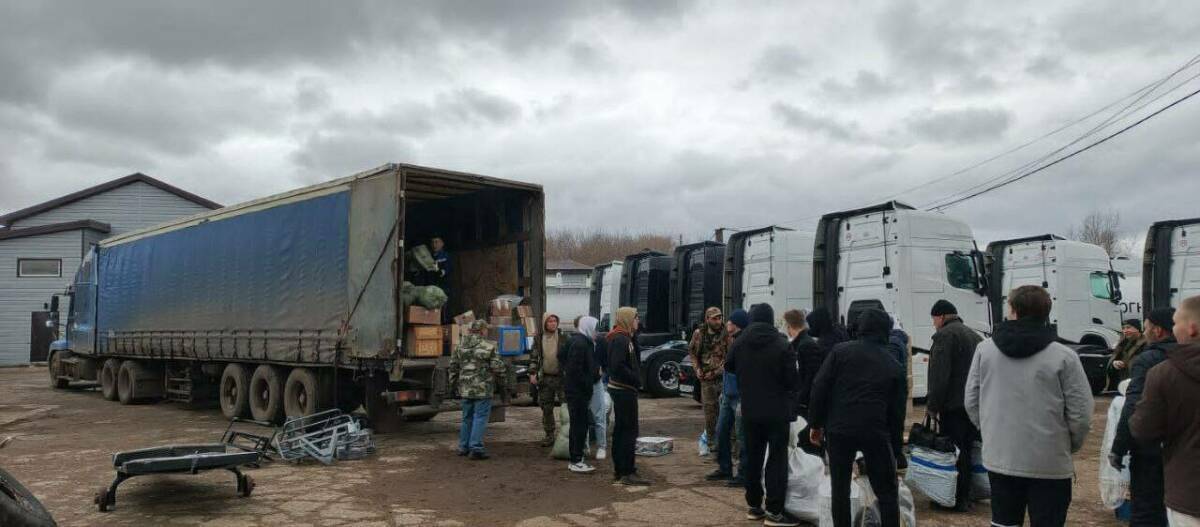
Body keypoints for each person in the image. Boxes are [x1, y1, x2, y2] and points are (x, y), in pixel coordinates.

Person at [965, 285, 1093, 527]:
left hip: (1001, 456)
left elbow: (971, 400)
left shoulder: (985, 350)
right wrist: (1068, 443)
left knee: (1004, 522)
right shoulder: (1064, 356)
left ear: (1012, 311)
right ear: (1046, 312)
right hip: (1049, 460)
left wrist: (991, 431)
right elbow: (1081, 412)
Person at [809, 308, 905, 527]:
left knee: (840, 489)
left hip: (839, 429)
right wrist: (896, 450)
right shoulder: (893, 365)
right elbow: (897, 414)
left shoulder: (840, 352)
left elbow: (819, 387)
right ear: (886, 331)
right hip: (876, 432)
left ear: (860, 328)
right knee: (887, 492)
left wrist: (816, 424)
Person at [726, 303, 801, 527]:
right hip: (777, 411)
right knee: (776, 460)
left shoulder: (740, 342)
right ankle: (775, 512)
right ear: (770, 319)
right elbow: (792, 380)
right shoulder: (781, 343)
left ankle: (754, 506)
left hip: (750, 409)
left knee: (753, 457)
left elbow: (728, 366)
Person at [1132, 296, 1200, 526]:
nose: (1174, 328)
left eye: (1176, 323)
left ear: (1192, 328)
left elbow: (1144, 430)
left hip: (1189, 493)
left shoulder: (1164, 373)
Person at [1112, 307, 1177, 526]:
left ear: (1158, 331)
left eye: (1147, 327)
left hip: (1151, 449)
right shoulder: (1191, 357)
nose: (1145, 331)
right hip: (1187, 448)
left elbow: (1133, 406)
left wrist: (1119, 447)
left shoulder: (1147, 360)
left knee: (1147, 511)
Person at [926, 299, 984, 511]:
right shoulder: (974, 336)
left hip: (952, 406)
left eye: (934, 319)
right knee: (968, 449)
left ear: (940, 316)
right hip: (973, 405)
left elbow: (940, 376)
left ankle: (955, 498)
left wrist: (933, 405)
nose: (934, 324)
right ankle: (967, 494)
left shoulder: (944, 336)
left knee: (954, 452)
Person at [449, 320, 506, 460]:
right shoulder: (488, 346)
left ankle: (463, 447)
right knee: (480, 418)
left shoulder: (460, 346)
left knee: (466, 418)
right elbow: (498, 368)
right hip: (482, 388)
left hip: (465, 388)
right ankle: (476, 447)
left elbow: (453, 367)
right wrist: (503, 382)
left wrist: (453, 385)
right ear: (482, 331)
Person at [607, 307, 649, 486]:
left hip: (623, 389)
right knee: (628, 431)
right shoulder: (620, 339)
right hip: (623, 389)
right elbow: (618, 365)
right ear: (627, 319)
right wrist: (635, 379)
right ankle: (626, 471)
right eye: (635, 318)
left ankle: (622, 469)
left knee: (622, 430)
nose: (637, 321)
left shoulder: (625, 337)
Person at [708, 308, 749, 484]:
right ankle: (724, 468)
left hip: (739, 395)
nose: (727, 324)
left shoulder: (744, 342)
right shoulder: (732, 339)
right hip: (728, 394)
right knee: (721, 431)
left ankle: (743, 473)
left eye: (730, 322)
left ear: (737, 325)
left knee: (742, 436)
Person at [561, 316, 600, 473]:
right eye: (595, 328)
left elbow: (561, 356)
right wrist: (587, 381)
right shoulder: (581, 343)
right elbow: (574, 369)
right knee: (579, 425)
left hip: (575, 390)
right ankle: (576, 459)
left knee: (579, 424)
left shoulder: (576, 340)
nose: (597, 332)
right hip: (578, 392)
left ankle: (577, 458)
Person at [688, 306, 728, 453]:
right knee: (710, 413)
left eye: (720, 318)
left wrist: (717, 371)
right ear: (707, 319)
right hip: (706, 380)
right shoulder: (699, 334)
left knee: (725, 412)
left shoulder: (726, 333)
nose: (718, 321)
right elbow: (692, 352)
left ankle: (727, 443)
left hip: (722, 378)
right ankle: (712, 443)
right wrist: (697, 369)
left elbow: (730, 358)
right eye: (715, 318)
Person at [531, 312, 565, 447]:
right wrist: (532, 373)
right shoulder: (539, 339)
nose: (553, 323)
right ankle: (549, 435)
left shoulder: (563, 337)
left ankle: (566, 434)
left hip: (562, 378)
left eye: (555, 321)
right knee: (546, 408)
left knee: (566, 406)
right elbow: (534, 357)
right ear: (545, 323)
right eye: (550, 321)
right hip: (545, 378)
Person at [784, 308, 821, 419]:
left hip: (804, 404)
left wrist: (800, 400)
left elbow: (811, 376)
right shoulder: (799, 344)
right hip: (799, 401)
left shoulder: (806, 345)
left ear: (789, 325)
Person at [589, 315, 610, 460]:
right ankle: (584, 447)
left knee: (600, 415)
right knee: (583, 417)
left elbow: (607, 359)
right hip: (583, 383)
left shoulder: (602, 341)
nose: (595, 332)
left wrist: (603, 370)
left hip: (597, 382)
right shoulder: (579, 342)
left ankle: (602, 446)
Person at [1107, 319, 1146, 392]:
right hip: (1123, 384)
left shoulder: (1146, 343)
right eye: (1123, 328)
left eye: (1128, 327)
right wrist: (1114, 364)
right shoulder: (1122, 343)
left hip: (1137, 384)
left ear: (1138, 329)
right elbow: (1113, 359)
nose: (1125, 331)